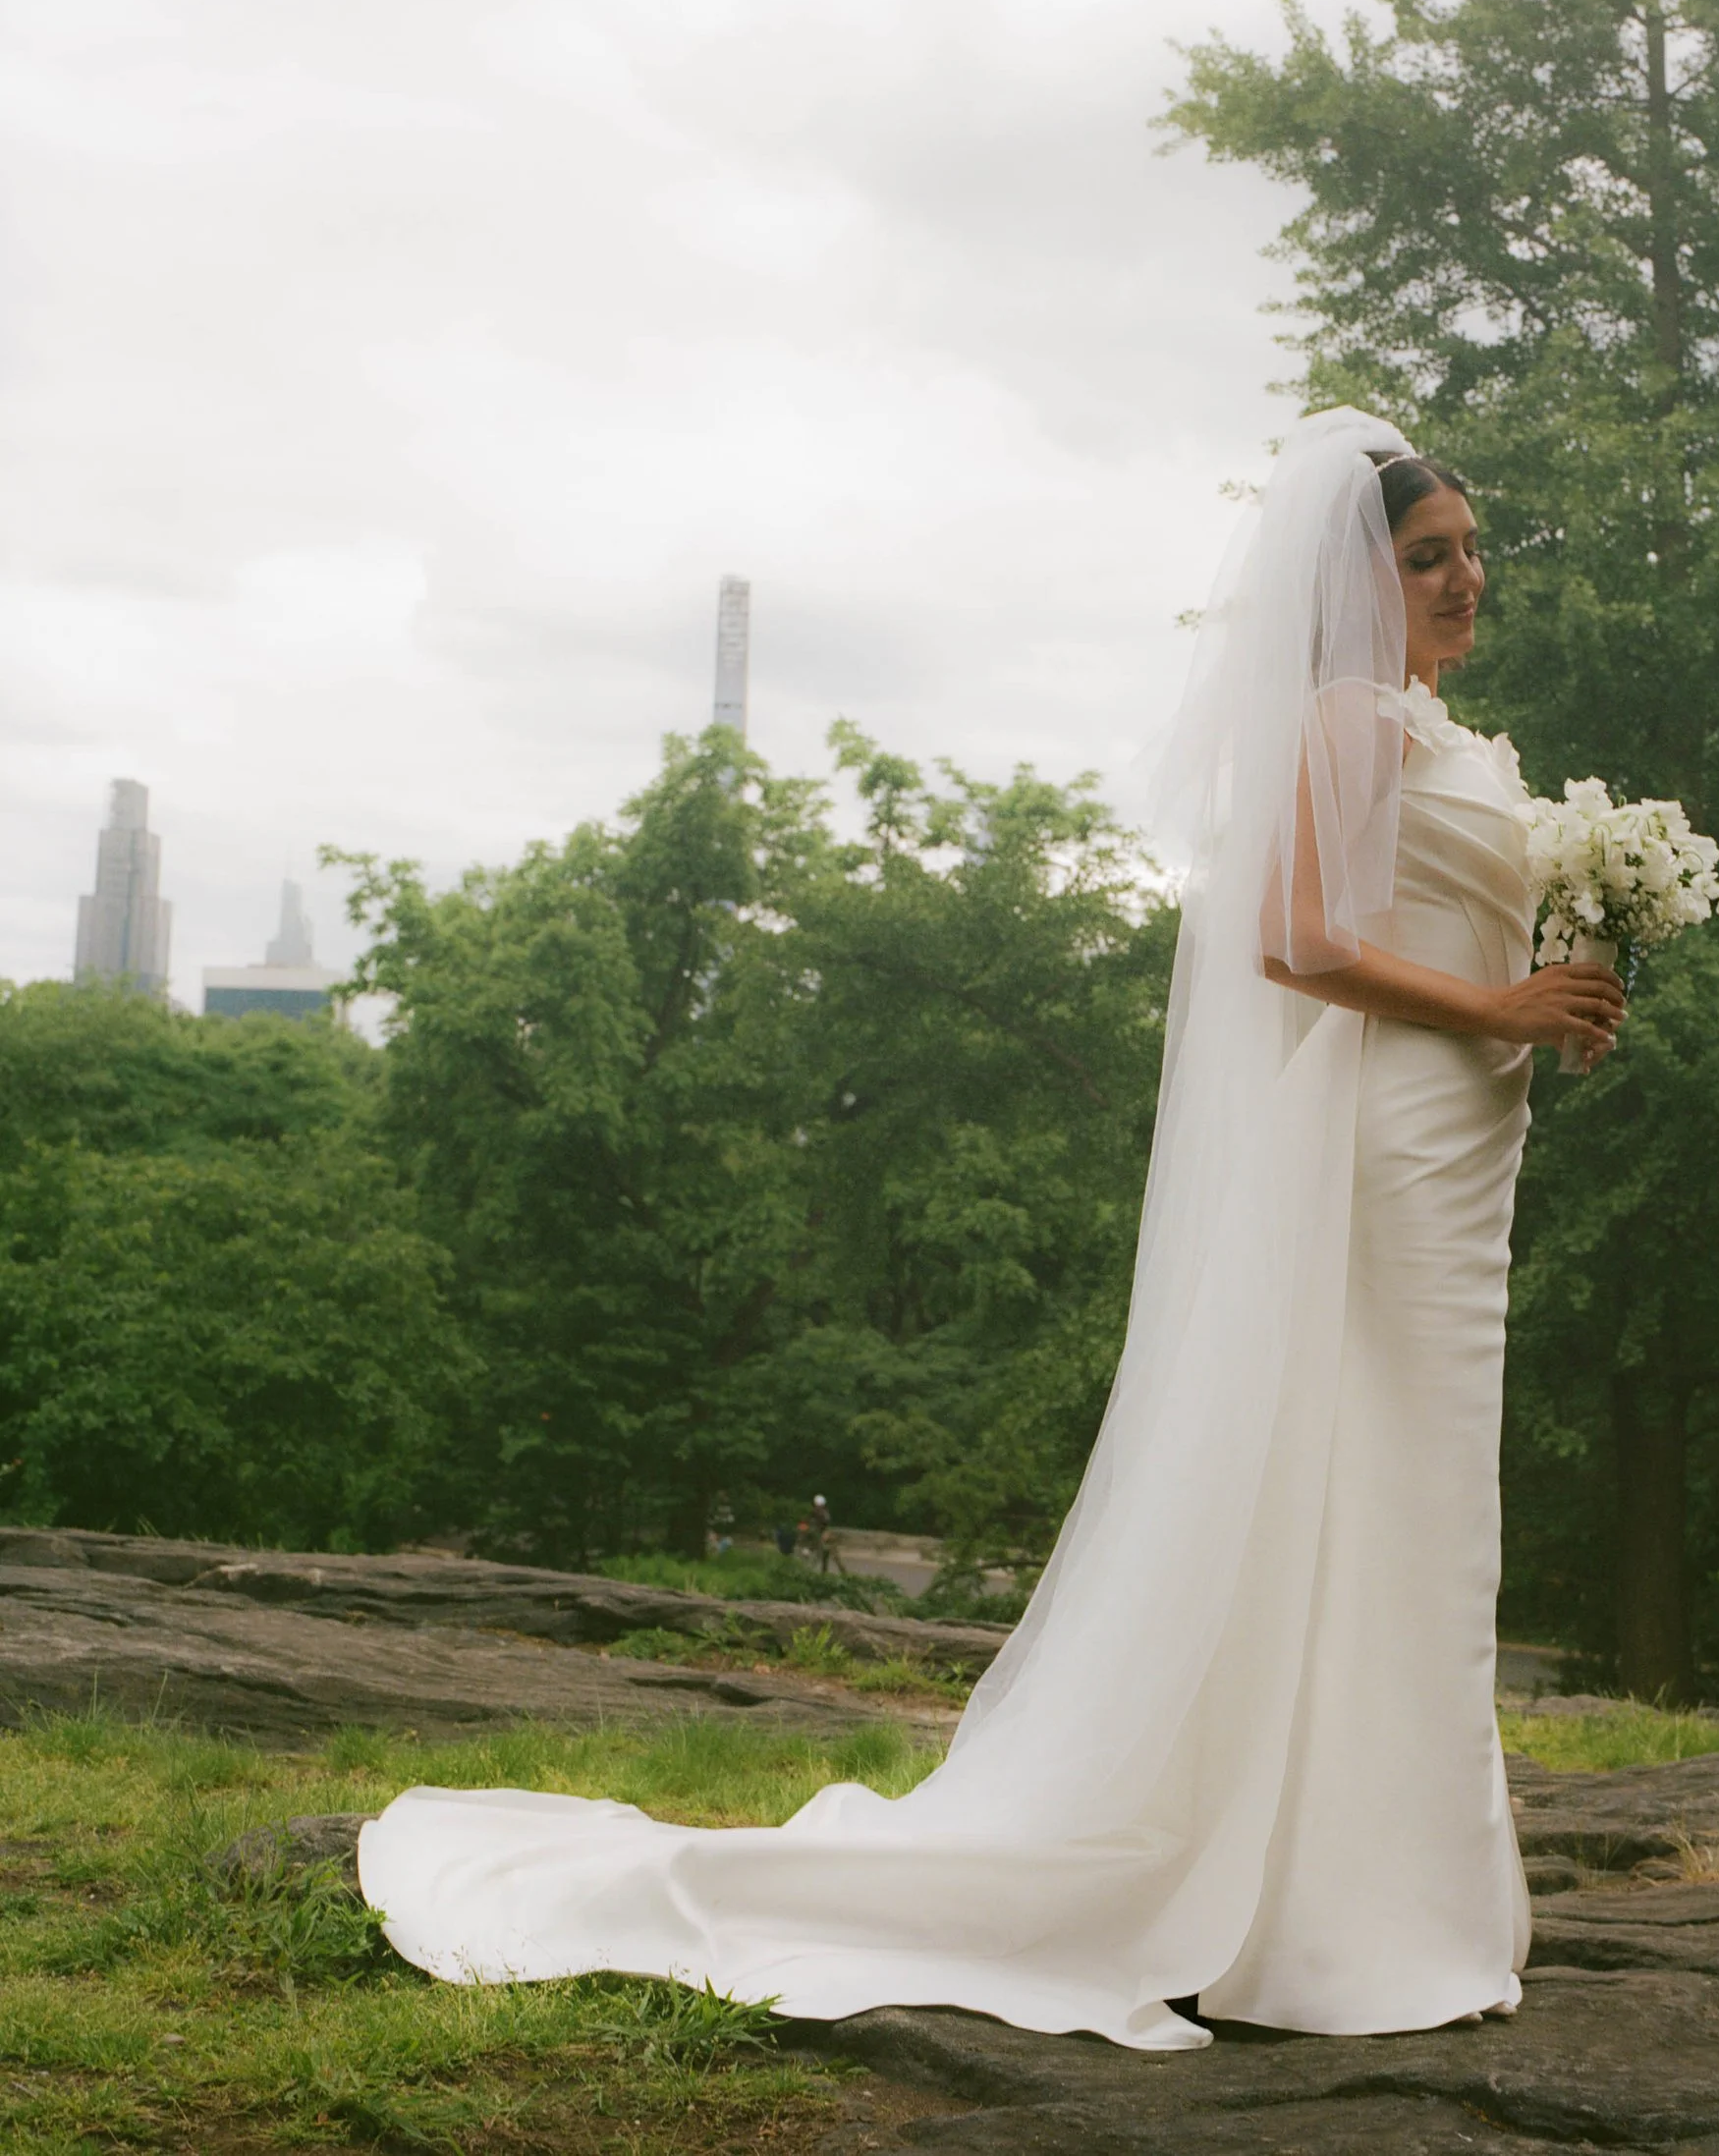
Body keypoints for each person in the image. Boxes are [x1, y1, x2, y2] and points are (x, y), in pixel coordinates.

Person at [357, 410, 1625, 2050]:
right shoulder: (1345, 715)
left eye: (1469, 552)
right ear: (1359, 584)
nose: (1461, 579)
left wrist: (1555, 996)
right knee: (1368, 1483)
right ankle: (1336, 1919)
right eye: (1425, 556)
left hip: (1465, 1143)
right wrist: (1495, 1001)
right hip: (1385, 1141)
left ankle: (1395, 1889)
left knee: (1418, 1499)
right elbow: (1293, 936)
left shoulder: (1442, 727)